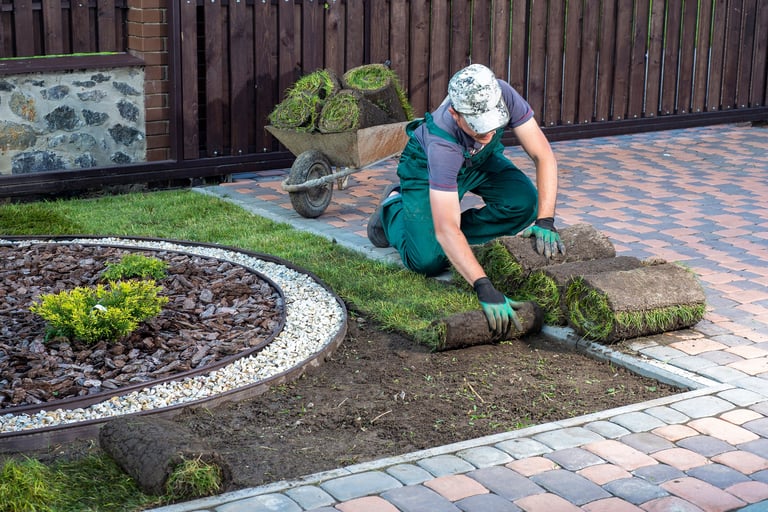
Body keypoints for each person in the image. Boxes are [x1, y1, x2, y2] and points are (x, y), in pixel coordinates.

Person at [367, 63, 565, 337]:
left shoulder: (501, 94)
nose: (488, 134)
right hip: (426, 169)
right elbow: (446, 227)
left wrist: (546, 220)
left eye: (492, 126)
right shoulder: (442, 143)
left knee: (523, 203)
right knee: (426, 261)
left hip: (479, 163)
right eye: (478, 128)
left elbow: (543, 156)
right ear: (455, 113)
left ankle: (446, 240)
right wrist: (482, 285)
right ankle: (394, 207)